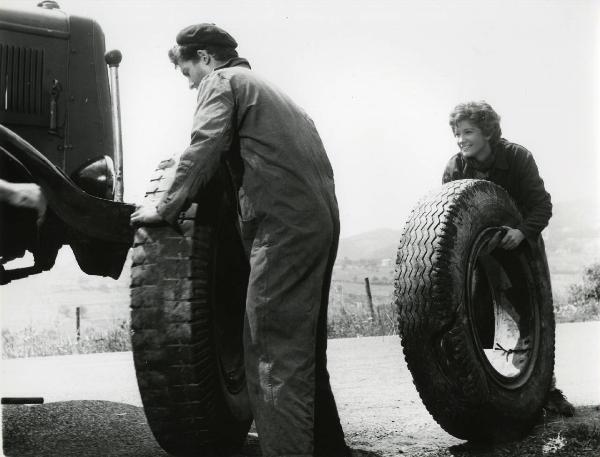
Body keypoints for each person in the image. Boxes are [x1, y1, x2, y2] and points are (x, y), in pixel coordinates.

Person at [130, 24, 349, 457]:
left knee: (270, 353)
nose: (191, 82)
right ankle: (329, 449)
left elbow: (204, 144)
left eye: (187, 71)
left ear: (205, 58)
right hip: (319, 223)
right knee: (303, 348)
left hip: (282, 229)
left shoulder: (222, 81)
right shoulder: (276, 93)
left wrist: (166, 206)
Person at [442, 100, 575, 417]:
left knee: (533, 323)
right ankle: (489, 397)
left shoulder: (517, 157)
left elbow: (542, 206)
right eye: (457, 134)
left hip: (522, 252)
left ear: (487, 131)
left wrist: (521, 232)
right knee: (477, 322)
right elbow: (447, 220)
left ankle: (547, 392)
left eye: (468, 132)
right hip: (480, 258)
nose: (461, 140)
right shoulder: (455, 168)